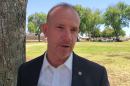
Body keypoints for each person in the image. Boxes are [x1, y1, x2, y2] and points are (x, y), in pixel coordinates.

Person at [17, 3, 110, 86]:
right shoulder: (25, 71)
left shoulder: (97, 75)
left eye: (73, 30)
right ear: (46, 30)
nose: (68, 37)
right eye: (60, 27)